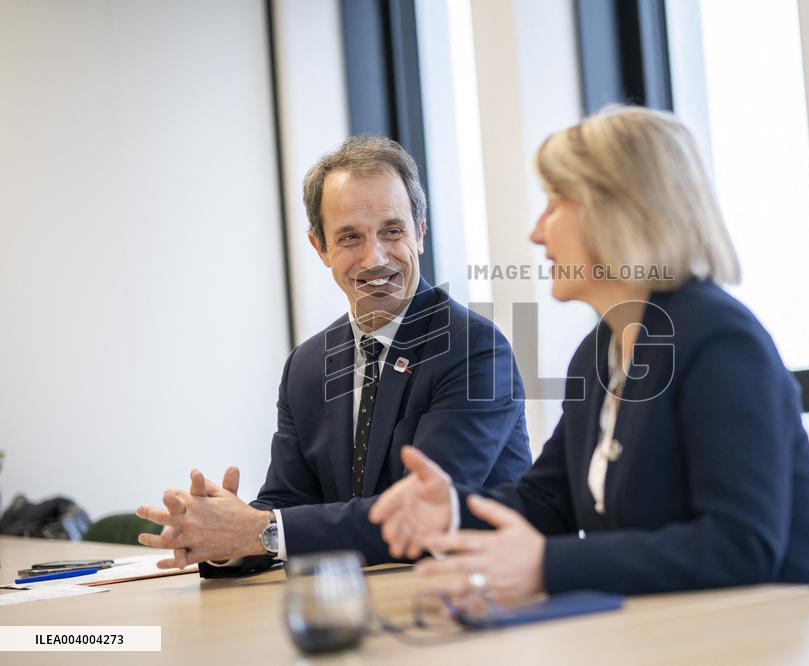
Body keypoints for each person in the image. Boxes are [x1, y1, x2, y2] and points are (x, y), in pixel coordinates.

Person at [369, 107, 809, 601]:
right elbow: (549, 499)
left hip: (804, 627)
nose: (537, 232)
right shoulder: (599, 352)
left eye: (555, 202)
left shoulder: (721, 342)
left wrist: (550, 565)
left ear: (619, 208)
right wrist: (452, 510)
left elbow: (738, 546)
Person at [136, 136, 531, 574]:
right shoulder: (306, 366)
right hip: (360, 606)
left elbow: (417, 515)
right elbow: (288, 503)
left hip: (476, 599)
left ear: (420, 232)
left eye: (392, 231)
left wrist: (260, 531)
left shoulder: (475, 349)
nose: (374, 257)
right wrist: (222, 536)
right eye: (349, 238)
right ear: (319, 248)